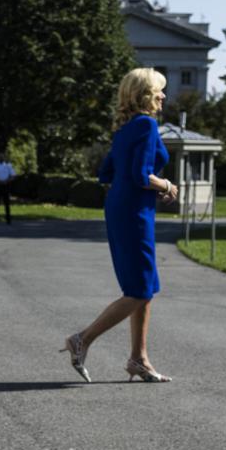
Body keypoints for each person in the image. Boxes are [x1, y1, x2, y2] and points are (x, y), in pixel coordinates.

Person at [65, 68, 177, 383]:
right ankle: (82, 340)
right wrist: (167, 185)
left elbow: (105, 172)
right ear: (145, 94)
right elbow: (142, 176)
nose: (163, 95)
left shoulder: (125, 129)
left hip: (122, 207)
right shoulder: (146, 125)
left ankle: (139, 359)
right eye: (159, 90)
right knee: (140, 290)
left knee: (144, 287)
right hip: (134, 213)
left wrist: (144, 185)